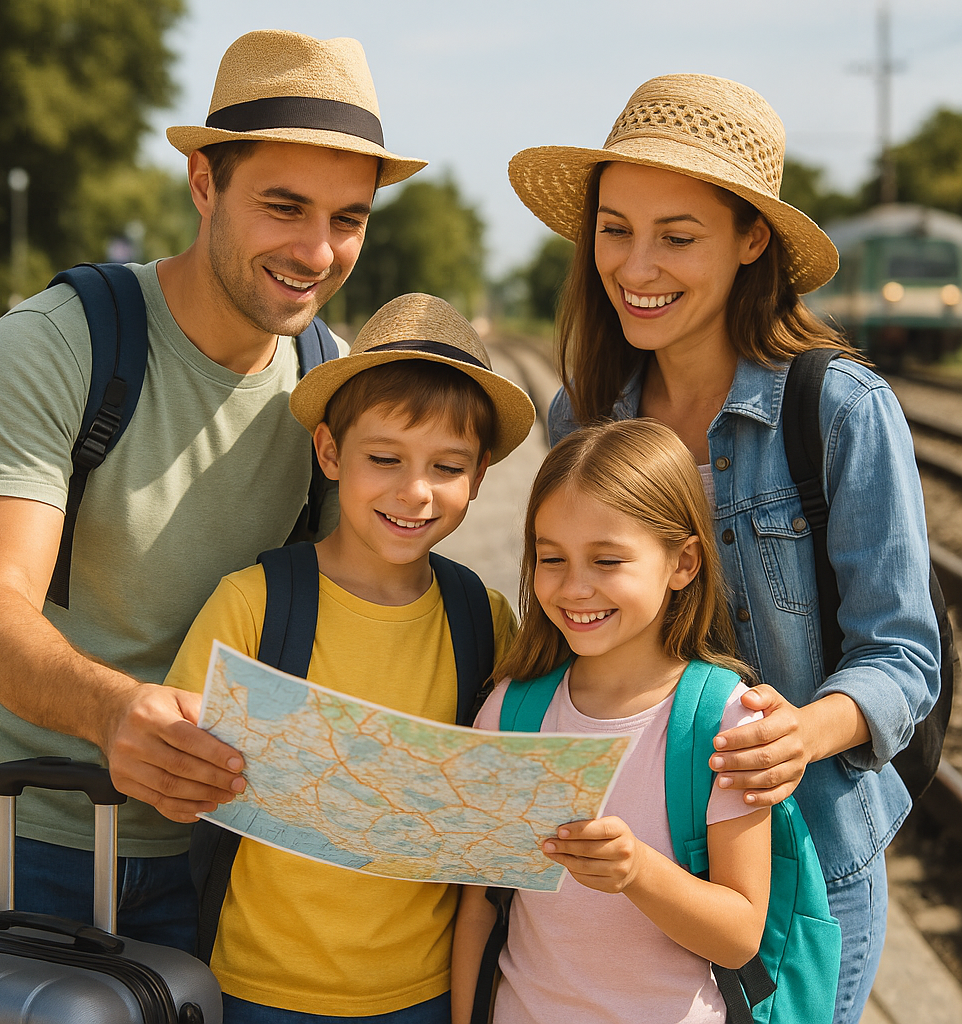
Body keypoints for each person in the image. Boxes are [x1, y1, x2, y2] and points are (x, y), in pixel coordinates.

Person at [0, 29, 426, 950]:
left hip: (213, 854)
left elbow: (351, 609)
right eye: (284, 206)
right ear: (204, 184)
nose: (318, 251)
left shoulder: (329, 385)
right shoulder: (60, 342)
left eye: (349, 218)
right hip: (6, 827)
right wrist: (114, 709)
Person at [506, 74, 940, 1024]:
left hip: (807, 867)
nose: (636, 264)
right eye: (615, 229)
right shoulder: (582, 415)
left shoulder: (838, 411)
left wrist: (805, 732)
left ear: (752, 241)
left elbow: (905, 657)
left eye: (678, 235)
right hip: (640, 857)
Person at [165, 292, 535, 1024]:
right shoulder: (254, 605)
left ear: (481, 476)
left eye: (448, 467)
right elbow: (173, 771)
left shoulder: (484, 621)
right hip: (256, 988)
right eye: (385, 458)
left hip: (427, 992)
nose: (415, 491)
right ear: (330, 452)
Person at [451, 417, 770, 1024]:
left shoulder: (723, 719)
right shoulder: (512, 712)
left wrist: (639, 871)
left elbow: (740, 934)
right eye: (552, 558)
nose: (575, 588)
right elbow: (481, 908)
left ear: (683, 563)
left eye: (606, 560)